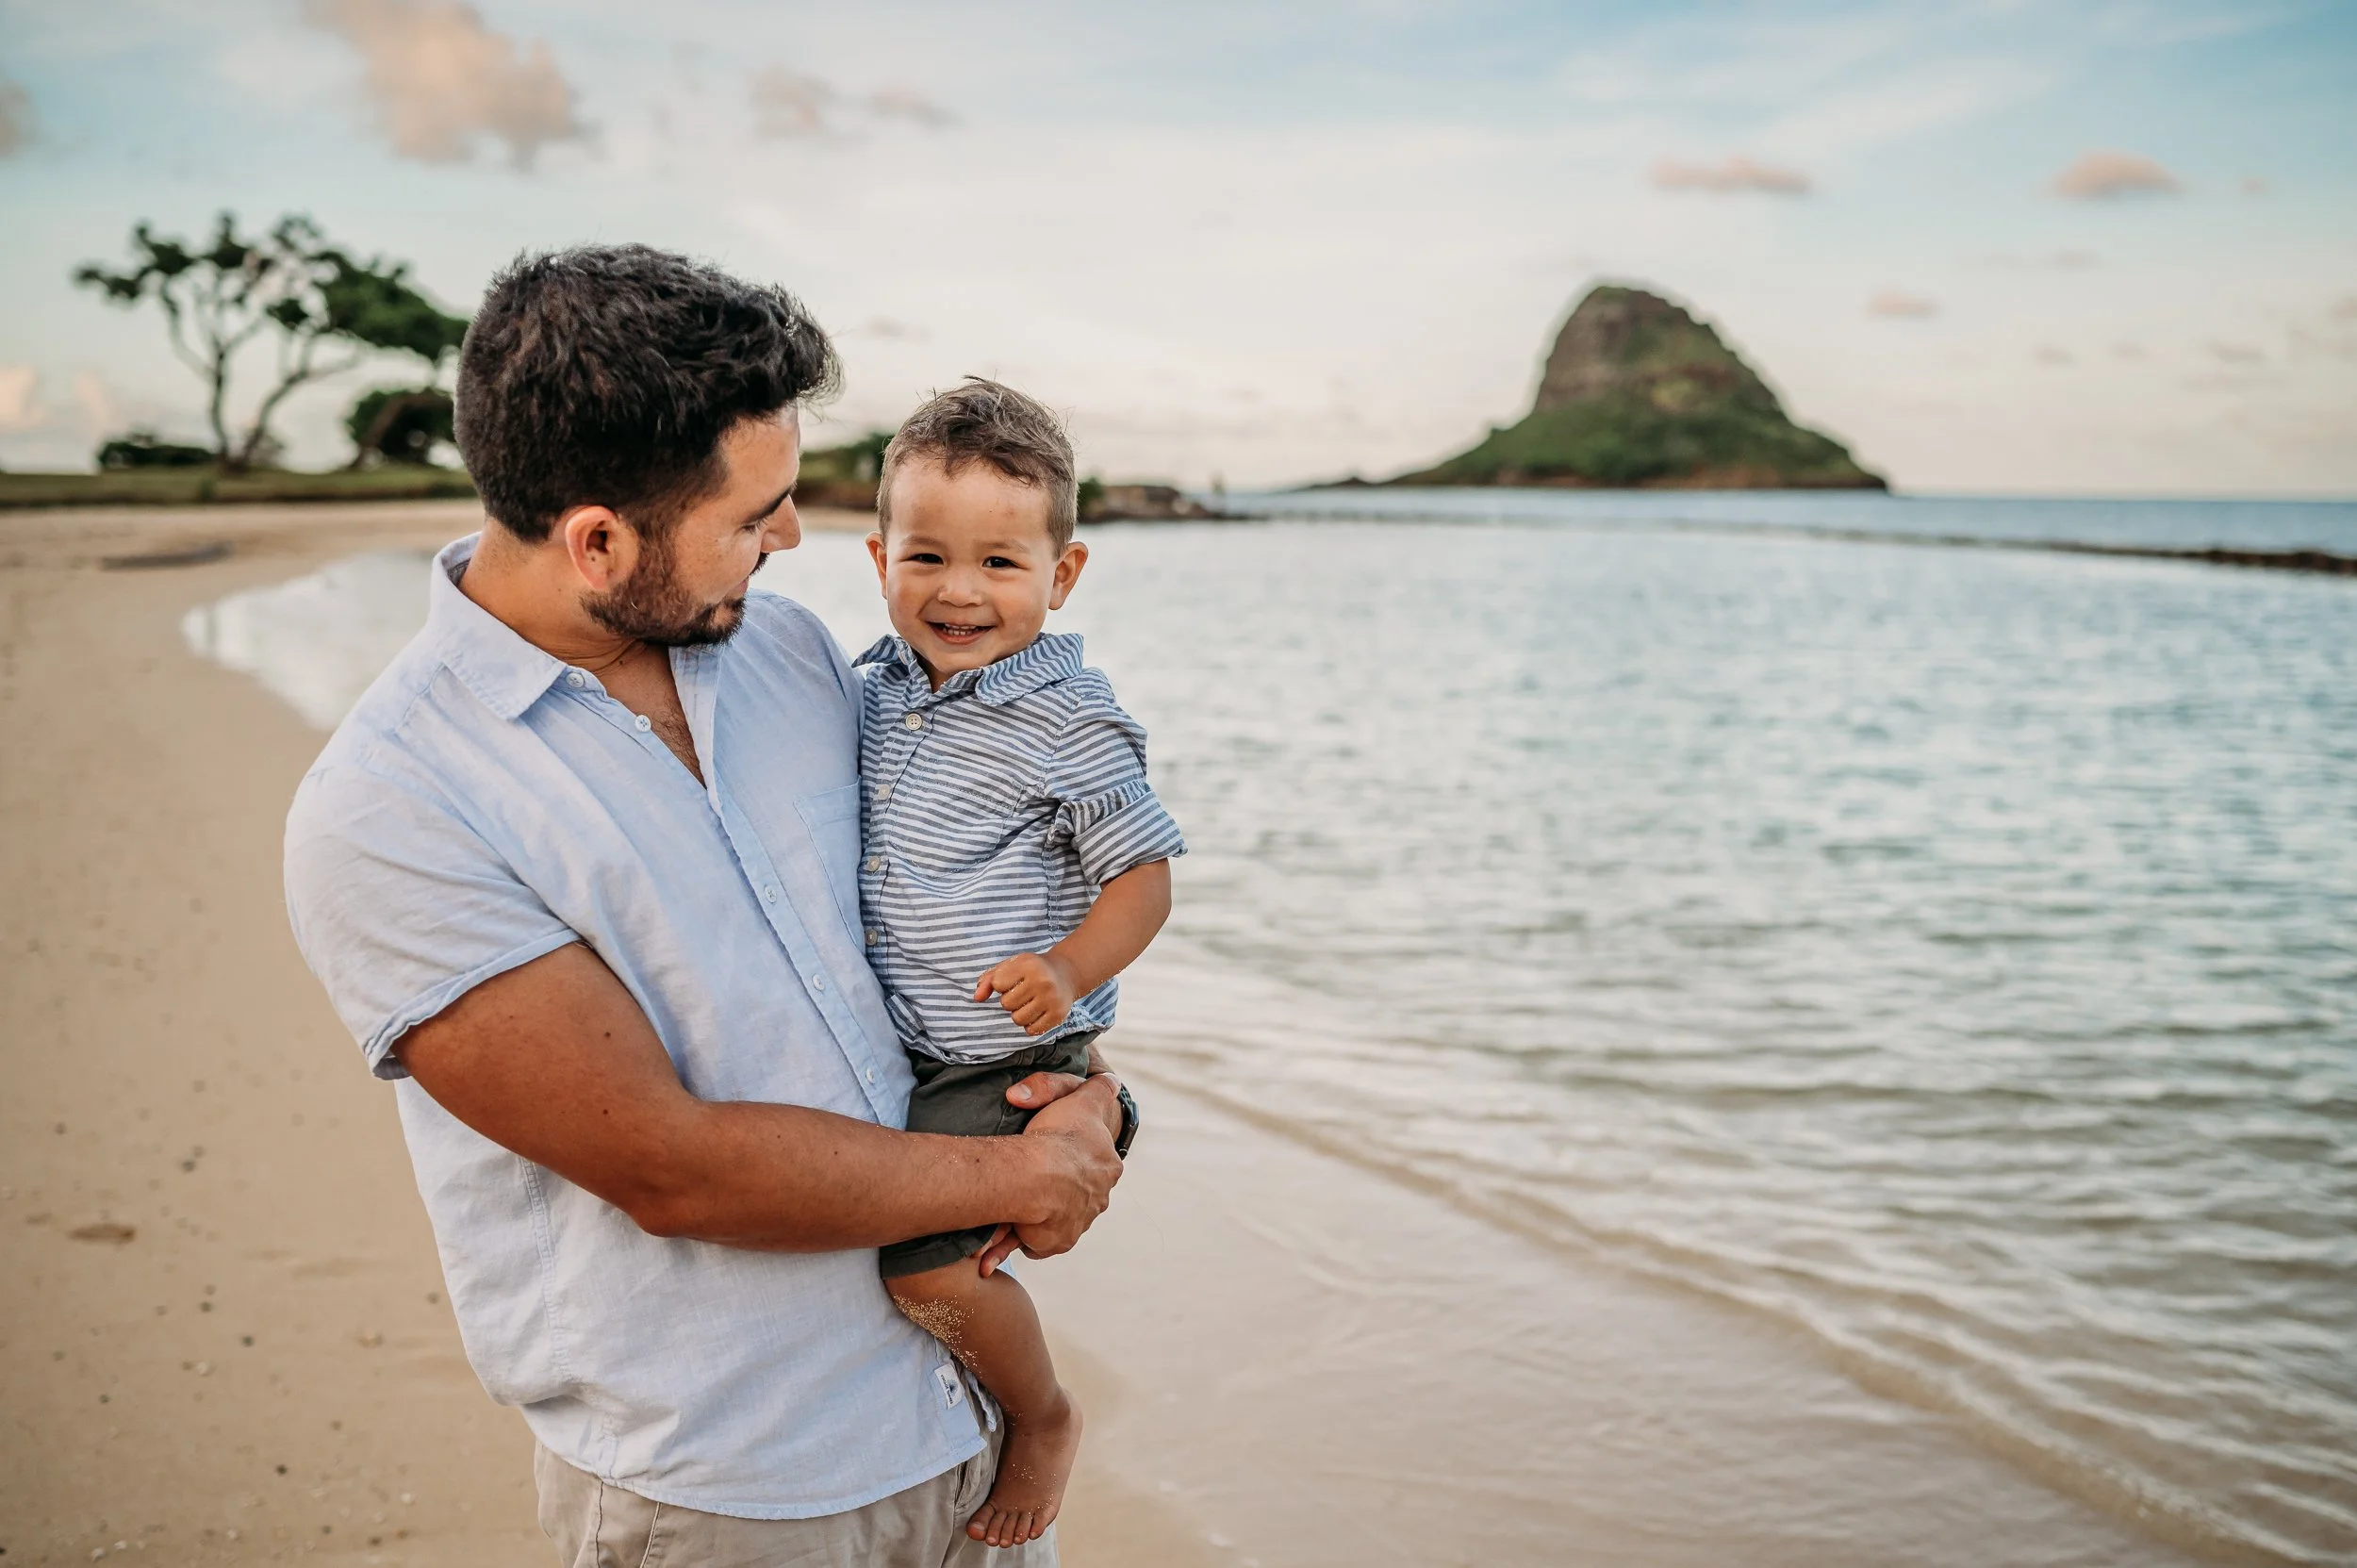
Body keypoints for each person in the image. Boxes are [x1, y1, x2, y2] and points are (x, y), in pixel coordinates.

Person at [282, 245, 1130, 1566]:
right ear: (600, 539)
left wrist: (1081, 1093)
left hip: (955, 1415)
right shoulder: (393, 808)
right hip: (730, 1481)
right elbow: (667, 1164)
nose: (790, 540)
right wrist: (1018, 1170)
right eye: (754, 516)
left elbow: (943, 903)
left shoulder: (787, 650)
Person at [856, 380, 1183, 1548]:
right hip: (913, 1035)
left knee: (920, 1265)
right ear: (878, 552)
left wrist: (1065, 961)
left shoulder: (1069, 718)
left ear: (1065, 573)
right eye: (927, 555)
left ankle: (1040, 1416)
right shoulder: (871, 689)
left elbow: (1141, 876)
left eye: (1001, 564)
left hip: (1005, 1049)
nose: (958, 591)